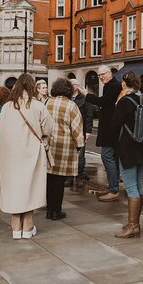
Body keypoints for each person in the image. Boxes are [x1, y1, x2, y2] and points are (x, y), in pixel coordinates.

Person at [0, 74, 53, 239]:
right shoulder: (37, 106)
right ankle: (28, 225)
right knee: (30, 186)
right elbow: (48, 129)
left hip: (10, 155)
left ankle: (16, 225)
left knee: (14, 187)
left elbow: (2, 127)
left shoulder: (7, 107)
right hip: (31, 153)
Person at [108, 71, 143, 238]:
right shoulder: (142, 99)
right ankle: (136, 223)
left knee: (131, 187)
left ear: (125, 84)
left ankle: (132, 225)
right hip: (142, 147)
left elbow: (114, 125)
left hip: (128, 148)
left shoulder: (124, 101)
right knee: (139, 186)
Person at [78, 64, 122, 201]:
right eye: (99, 75)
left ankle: (114, 189)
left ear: (110, 73)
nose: (101, 77)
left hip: (111, 129)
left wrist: (87, 95)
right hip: (111, 129)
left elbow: (104, 102)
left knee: (106, 156)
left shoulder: (114, 86)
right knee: (112, 158)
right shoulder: (111, 86)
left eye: (103, 74)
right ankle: (113, 187)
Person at [45, 78, 84, 220]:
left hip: (48, 146)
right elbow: (77, 129)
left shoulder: (46, 103)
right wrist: (79, 144)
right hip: (65, 147)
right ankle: (56, 210)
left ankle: (49, 209)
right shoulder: (71, 106)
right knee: (59, 181)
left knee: (49, 179)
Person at [69, 78, 93, 186]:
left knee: (80, 155)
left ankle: (79, 177)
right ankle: (69, 177)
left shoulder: (84, 98)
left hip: (80, 130)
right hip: (68, 131)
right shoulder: (67, 98)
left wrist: (88, 131)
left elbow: (89, 115)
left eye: (76, 84)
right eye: (72, 85)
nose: (74, 86)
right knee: (69, 154)